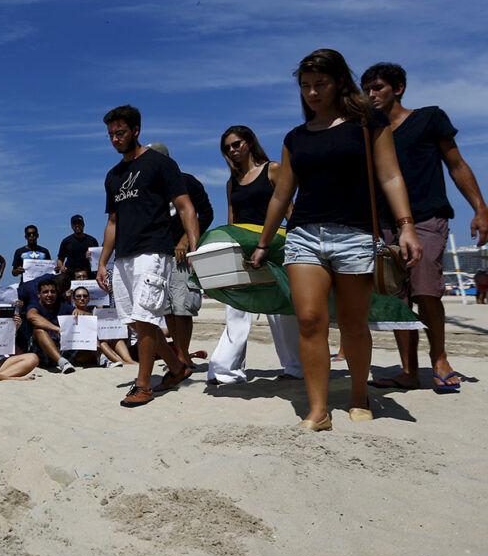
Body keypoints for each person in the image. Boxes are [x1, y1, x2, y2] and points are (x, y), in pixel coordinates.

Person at [251, 49, 421, 430]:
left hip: (355, 235)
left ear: (340, 82)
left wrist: (406, 225)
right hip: (304, 237)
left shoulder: (367, 124)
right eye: (306, 86)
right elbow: (282, 195)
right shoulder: (295, 137)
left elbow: (390, 176)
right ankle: (318, 410)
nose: (312, 93)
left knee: (353, 324)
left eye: (320, 84)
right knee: (310, 321)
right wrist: (263, 243)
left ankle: (359, 395)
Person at [361, 62, 488, 393]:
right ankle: (408, 370)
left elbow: (457, 165)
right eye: (367, 89)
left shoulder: (429, 118)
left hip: (427, 217)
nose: (371, 94)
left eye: (377, 87)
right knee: (398, 298)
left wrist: (480, 209)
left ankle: (440, 359)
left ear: (398, 88)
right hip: (386, 224)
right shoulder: (369, 131)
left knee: (426, 289)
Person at [95, 105, 198, 407]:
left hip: (154, 251)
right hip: (123, 257)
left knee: (145, 316)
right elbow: (112, 222)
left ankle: (144, 385)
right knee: (136, 323)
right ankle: (178, 367)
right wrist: (103, 262)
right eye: (111, 134)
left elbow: (185, 205)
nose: (115, 139)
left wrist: (193, 246)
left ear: (136, 130)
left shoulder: (160, 164)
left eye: (121, 133)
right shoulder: (113, 175)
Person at [208, 126, 303, 385]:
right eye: (227, 147)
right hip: (243, 248)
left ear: (249, 142)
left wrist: (295, 244)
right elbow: (231, 219)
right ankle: (226, 370)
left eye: (236, 144)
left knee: (281, 310)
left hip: (274, 245)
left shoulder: (273, 169)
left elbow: (289, 209)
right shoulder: (232, 182)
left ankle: (295, 368)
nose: (232, 150)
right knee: (236, 307)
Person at [148, 143, 214, 371]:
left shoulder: (187, 181)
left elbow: (206, 213)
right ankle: (178, 354)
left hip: (182, 256)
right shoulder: (147, 188)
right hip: (157, 256)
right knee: (166, 309)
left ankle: (185, 357)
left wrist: (187, 239)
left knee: (182, 307)